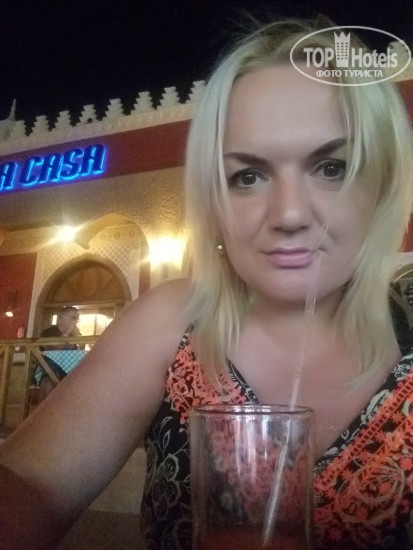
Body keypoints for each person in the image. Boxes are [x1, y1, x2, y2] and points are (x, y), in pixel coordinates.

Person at [0, 18, 413, 550]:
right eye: (248, 176)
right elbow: (29, 484)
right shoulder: (173, 322)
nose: (289, 214)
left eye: (332, 167)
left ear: (383, 182)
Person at [35, 306, 82, 398]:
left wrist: (79, 339)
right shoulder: (48, 332)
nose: (76, 321)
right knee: (49, 384)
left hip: (69, 370)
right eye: (74, 318)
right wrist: (66, 334)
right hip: (49, 368)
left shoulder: (73, 335)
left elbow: (77, 353)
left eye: (77, 319)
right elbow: (52, 350)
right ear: (63, 317)